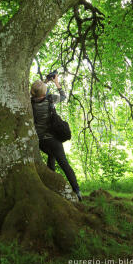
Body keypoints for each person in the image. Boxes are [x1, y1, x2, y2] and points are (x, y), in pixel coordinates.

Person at [30, 74, 82, 202]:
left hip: (40, 141)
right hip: (53, 139)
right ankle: (77, 191)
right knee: (64, 164)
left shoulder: (29, 102)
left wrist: (44, 82)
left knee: (51, 156)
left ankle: (51, 187)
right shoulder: (50, 99)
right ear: (45, 91)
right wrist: (56, 82)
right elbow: (64, 96)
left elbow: (35, 92)